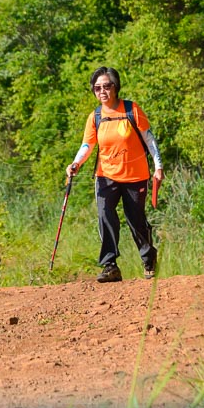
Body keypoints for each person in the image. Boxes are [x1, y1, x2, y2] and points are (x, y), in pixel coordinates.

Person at [66, 66, 164, 283]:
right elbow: (87, 144)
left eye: (107, 86)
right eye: (97, 87)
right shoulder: (96, 116)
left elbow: (149, 139)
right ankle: (110, 265)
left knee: (135, 219)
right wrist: (76, 163)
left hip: (135, 175)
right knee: (105, 217)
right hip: (105, 175)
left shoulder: (131, 109)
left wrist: (158, 166)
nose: (102, 91)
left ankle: (148, 258)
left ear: (115, 87)